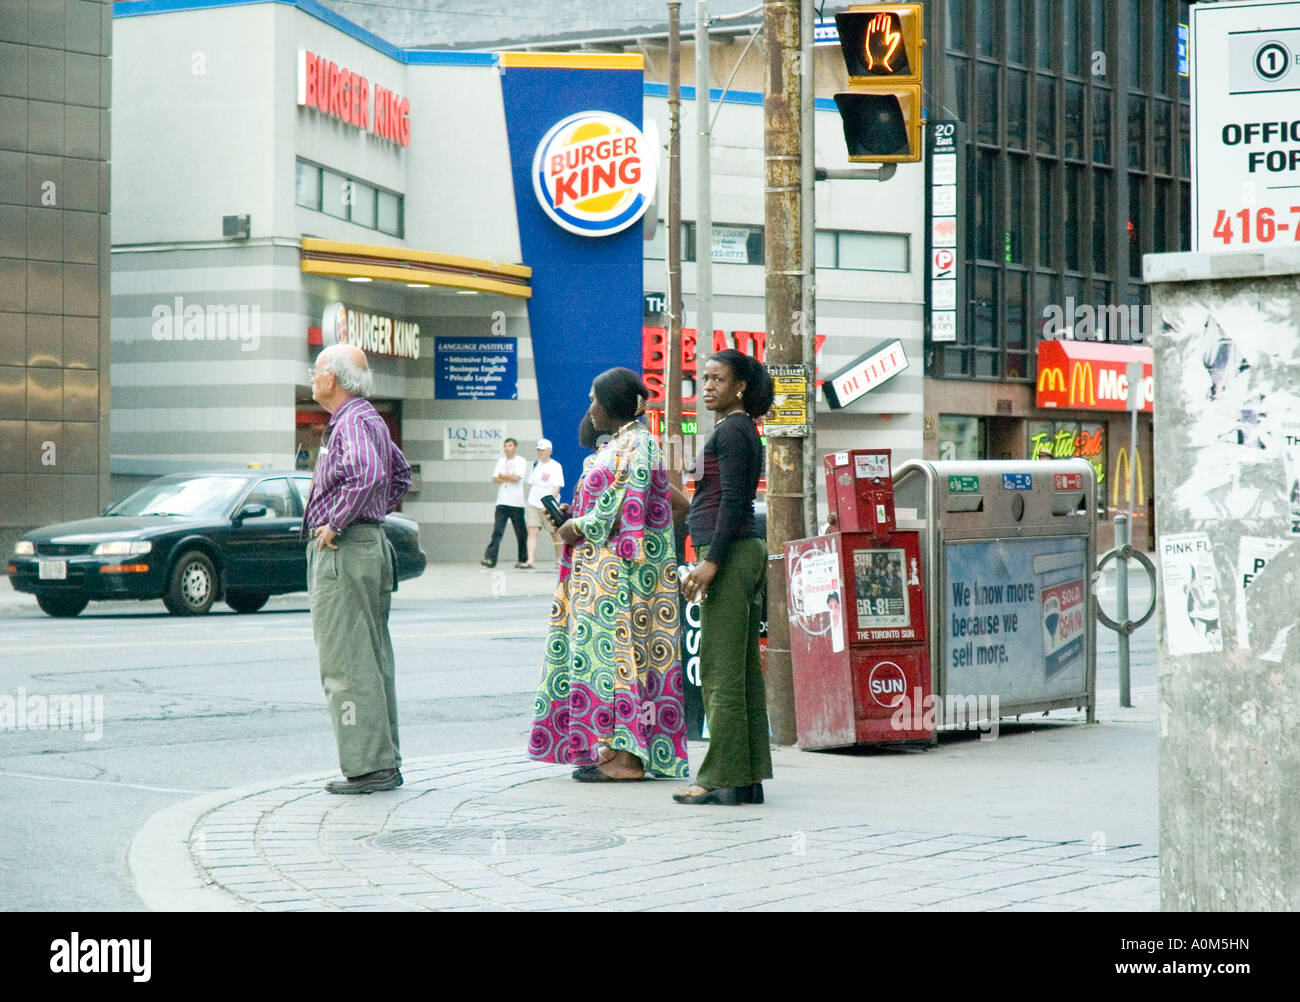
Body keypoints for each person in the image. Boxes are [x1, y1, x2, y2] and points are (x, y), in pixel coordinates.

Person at [528, 368, 689, 782]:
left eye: (594, 399)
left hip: (623, 580)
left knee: (623, 662)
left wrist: (576, 526)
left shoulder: (638, 443)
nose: (590, 408)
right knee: (606, 664)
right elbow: (614, 500)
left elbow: (621, 507)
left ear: (614, 404)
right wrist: (573, 514)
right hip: (601, 577)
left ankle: (628, 760)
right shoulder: (621, 444)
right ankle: (616, 748)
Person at [303, 343, 411, 794]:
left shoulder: (350, 422)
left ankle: (368, 766)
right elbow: (399, 476)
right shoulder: (369, 419)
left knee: (346, 661)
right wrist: (370, 517)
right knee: (371, 656)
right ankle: (382, 761)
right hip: (366, 545)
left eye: (317, 369)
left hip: (344, 551)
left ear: (333, 378)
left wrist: (338, 522)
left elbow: (367, 475)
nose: (312, 376)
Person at [676, 349, 774, 805]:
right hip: (738, 553)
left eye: (718, 379)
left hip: (731, 557)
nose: (709, 386)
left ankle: (719, 777)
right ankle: (747, 776)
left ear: (740, 387)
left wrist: (710, 561)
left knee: (719, 670)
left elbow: (734, 501)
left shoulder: (733, 430)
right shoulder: (735, 429)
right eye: (705, 378)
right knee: (742, 671)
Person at [482, 437, 528, 569]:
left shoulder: (521, 461)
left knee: (521, 533)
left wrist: (504, 476)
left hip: (516, 503)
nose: (507, 448)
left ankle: (523, 558)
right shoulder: (501, 461)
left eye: (510, 445)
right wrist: (505, 477)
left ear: (515, 447)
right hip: (502, 502)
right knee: (497, 531)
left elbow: (515, 478)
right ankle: (490, 558)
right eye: (505, 446)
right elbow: (495, 478)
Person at [523, 438, 565, 568]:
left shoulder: (555, 466)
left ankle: (560, 559)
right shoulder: (535, 465)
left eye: (543, 450)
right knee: (532, 530)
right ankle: (530, 560)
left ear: (549, 451)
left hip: (548, 505)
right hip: (533, 503)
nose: (540, 452)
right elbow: (531, 484)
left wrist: (548, 501)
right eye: (538, 450)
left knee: (555, 532)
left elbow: (557, 486)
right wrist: (532, 497)